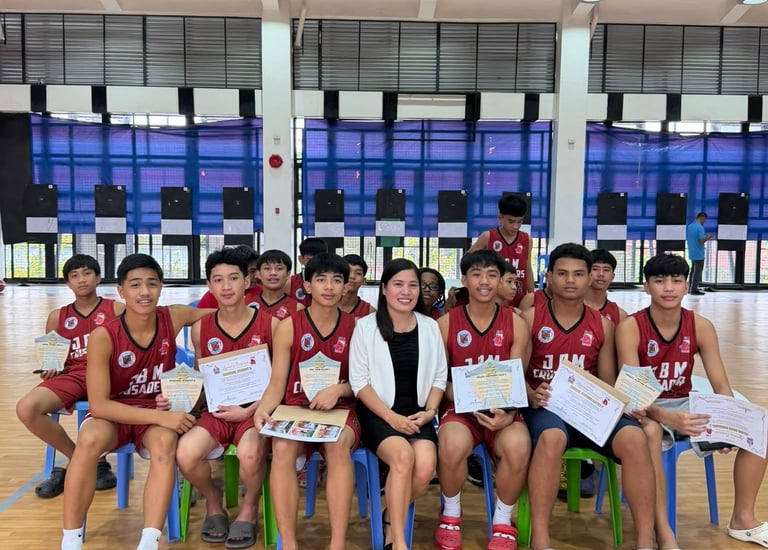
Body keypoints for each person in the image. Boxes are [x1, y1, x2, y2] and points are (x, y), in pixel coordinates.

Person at [60, 254, 213, 550]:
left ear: (161, 287)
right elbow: (99, 405)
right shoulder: (103, 335)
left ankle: (149, 541)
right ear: (121, 291)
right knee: (87, 440)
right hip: (115, 414)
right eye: (135, 285)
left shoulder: (173, 316)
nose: (145, 292)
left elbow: (226, 315)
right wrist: (161, 417)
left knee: (165, 444)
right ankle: (70, 540)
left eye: (152, 284)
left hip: (155, 413)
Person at [616, 253, 768, 550]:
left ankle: (743, 519)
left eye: (676, 281)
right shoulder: (631, 327)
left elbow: (721, 384)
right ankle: (664, 532)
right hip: (646, 407)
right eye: (659, 281)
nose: (668, 288)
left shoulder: (700, 326)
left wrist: (730, 424)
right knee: (651, 432)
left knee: (759, 426)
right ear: (646, 287)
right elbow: (633, 395)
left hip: (685, 403)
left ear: (687, 286)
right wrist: (665, 417)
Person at [521, 243, 655, 550]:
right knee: (552, 437)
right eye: (562, 273)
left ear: (588, 278)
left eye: (578, 274)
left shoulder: (604, 326)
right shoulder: (529, 319)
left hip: (589, 412)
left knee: (635, 438)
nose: (571, 280)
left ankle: (645, 542)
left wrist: (626, 404)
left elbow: (607, 381)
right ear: (549, 277)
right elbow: (518, 373)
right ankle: (541, 540)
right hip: (545, 409)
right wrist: (531, 394)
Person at [254, 253, 360, 550]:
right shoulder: (289, 326)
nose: (329, 287)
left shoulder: (357, 327)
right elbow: (277, 383)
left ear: (345, 286)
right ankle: (289, 543)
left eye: (336, 280)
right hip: (295, 408)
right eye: (321, 279)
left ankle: (337, 543)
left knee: (337, 446)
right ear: (307, 286)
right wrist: (262, 410)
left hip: (340, 410)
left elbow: (365, 384)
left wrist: (339, 390)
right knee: (282, 447)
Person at [176, 248, 277, 548]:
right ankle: (213, 500)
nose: (226, 286)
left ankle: (250, 507)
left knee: (250, 454)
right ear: (209, 285)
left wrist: (250, 411)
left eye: (233, 278)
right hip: (216, 411)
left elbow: (279, 382)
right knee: (185, 453)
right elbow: (201, 377)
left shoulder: (271, 324)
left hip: (256, 411)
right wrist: (178, 399)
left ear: (247, 281)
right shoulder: (200, 328)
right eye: (217, 280)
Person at [435, 250, 531, 550]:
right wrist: (467, 398)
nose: (484, 282)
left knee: (518, 445)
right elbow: (438, 381)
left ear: (501, 280)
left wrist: (509, 413)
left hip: (503, 409)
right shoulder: (446, 323)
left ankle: (502, 520)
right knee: (451, 445)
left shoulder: (516, 323)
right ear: (464, 280)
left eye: (492, 275)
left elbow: (517, 376)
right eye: (476, 275)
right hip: (460, 410)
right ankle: (451, 514)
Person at [349, 258, 447, 550]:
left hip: (418, 414)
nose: (406, 292)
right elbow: (359, 383)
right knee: (403, 457)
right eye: (398, 285)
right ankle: (399, 540)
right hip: (378, 413)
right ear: (384, 289)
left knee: (426, 465)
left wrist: (430, 412)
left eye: (413, 285)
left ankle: (390, 514)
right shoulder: (365, 327)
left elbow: (439, 376)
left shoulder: (430, 327)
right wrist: (391, 418)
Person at [16, 254, 123, 498]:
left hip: (109, 375)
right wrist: (49, 369)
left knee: (106, 407)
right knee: (26, 408)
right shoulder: (57, 317)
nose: (81, 279)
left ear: (98, 277)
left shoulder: (116, 309)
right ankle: (79, 459)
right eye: (74, 276)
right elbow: (51, 360)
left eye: (87, 273)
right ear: (67, 283)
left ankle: (95, 460)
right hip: (73, 375)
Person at [468, 194, 534, 307]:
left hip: (519, 298)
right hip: (492, 300)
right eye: (511, 221)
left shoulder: (527, 239)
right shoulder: (488, 237)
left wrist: (532, 295)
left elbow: (527, 268)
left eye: (520, 222)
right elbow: (467, 261)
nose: (516, 226)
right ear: (500, 218)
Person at [253, 249, 304, 320]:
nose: (273, 273)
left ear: (288, 274)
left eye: (279, 268)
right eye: (267, 268)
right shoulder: (245, 302)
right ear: (258, 273)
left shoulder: (297, 308)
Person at [585, 248, 627, 326]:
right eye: (595, 269)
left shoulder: (620, 315)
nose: (601, 274)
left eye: (606, 270)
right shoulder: (571, 309)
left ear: (612, 276)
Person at [285, 237, 328, 306]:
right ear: (301, 259)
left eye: (318, 259)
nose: (314, 263)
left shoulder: (332, 283)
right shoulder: (290, 283)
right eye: (310, 259)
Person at [340, 254, 376, 318]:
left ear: (363, 281)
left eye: (358, 273)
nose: (352, 276)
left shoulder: (370, 312)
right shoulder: (326, 305)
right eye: (348, 271)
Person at [685, 212, 712, 296]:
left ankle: (690, 287)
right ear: (702, 217)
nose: (704, 222)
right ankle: (694, 289)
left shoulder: (690, 226)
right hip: (699, 252)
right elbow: (701, 241)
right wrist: (708, 237)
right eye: (705, 220)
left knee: (693, 270)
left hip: (692, 251)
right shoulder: (700, 227)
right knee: (698, 271)